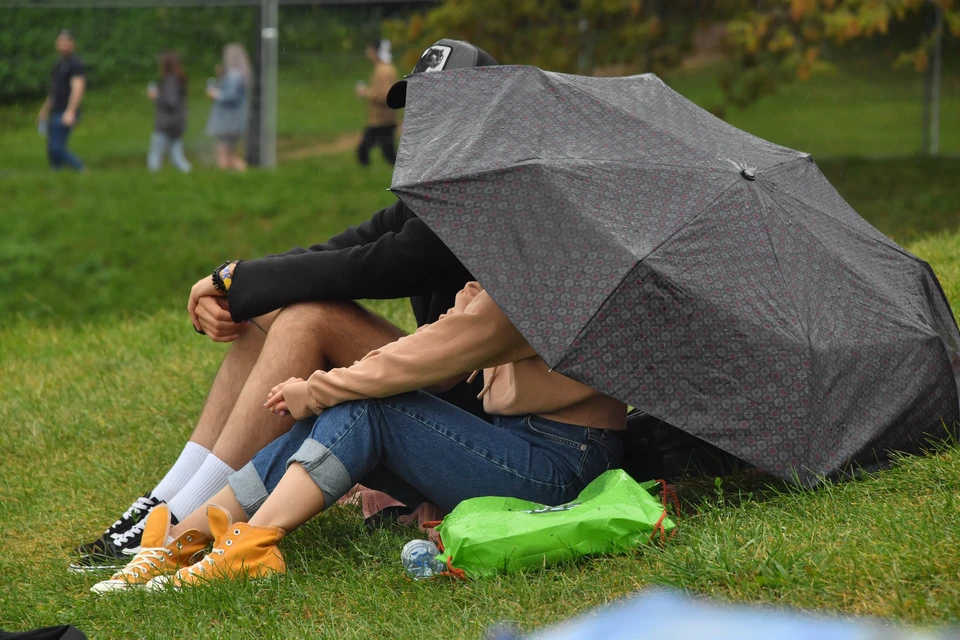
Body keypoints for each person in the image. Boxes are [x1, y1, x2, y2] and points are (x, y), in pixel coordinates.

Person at [70, 39, 501, 574]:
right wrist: (233, 285)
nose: (427, 123)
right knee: (278, 304)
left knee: (308, 314)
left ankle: (184, 519)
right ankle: (167, 501)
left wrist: (237, 279)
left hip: (486, 429)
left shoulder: (485, 204)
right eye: (423, 106)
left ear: (488, 112)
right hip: (448, 388)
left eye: (446, 107)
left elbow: (368, 266)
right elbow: (340, 248)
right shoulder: (438, 197)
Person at [91, 281, 626, 592]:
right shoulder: (514, 274)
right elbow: (447, 331)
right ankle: (184, 539)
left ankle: (250, 546)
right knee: (344, 414)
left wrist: (320, 389)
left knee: (368, 409)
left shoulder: (541, 283)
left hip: (558, 468)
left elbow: (434, 353)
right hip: (523, 443)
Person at [36, 30, 85, 172]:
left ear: (72, 44)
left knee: (57, 148)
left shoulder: (75, 64)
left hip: (66, 112)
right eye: (60, 41)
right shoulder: (58, 64)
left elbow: (78, 88)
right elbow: (54, 92)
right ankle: (57, 174)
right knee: (51, 150)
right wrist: (44, 110)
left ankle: (82, 170)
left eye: (66, 41)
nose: (63, 44)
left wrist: (70, 111)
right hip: (55, 111)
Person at [205, 44, 250, 172]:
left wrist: (215, 94)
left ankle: (224, 181)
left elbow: (230, 96)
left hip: (227, 122)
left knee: (223, 155)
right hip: (235, 121)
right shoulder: (241, 74)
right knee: (230, 154)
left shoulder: (234, 75)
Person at [355, 39, 399, 166]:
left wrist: (366, 93)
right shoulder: (386, 68)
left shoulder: (383, 71)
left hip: (381, 120)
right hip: (385, 119)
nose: (367, 53)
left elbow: (386, 95)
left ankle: (363, 174)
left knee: (363, 148)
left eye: (369, 50)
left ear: (375, 52)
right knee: (389, 154)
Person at [147, 51, 192, 173]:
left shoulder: (169, 80)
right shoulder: (179, 79)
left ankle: (153, 180)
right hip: (177, 123)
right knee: (176, 156)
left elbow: (171, 102)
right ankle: (189, 174)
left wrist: (156, 97)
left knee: (155, 155)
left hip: (166, 124)